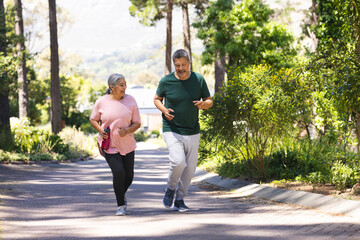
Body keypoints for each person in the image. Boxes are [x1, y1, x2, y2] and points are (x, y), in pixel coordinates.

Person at [154, 49, 213, 212]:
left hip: (193, 129)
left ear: (189, 63)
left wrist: (205, 104)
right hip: (171, 129)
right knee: (178, 161)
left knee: (190, 168)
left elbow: (209, 100)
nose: (180, 68)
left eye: (183, 65)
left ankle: (180, 199)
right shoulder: (166, 81)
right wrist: (164, 110)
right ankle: (170, 189)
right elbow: (157, 99)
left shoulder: (198, 79)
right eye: (177, 65)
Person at [90, 73, 141, 216]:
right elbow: (93, 119)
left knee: (129, 176)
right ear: (111, 87)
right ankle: (120, 205)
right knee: (119, 172)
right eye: (121, 85)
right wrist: (100, 130)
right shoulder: (101, 101)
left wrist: (128, 130)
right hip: (109, 145)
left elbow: (137, 123)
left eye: (125, 84)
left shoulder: (131, 100)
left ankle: (120, 194)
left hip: (127, 144)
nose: (125, 87)